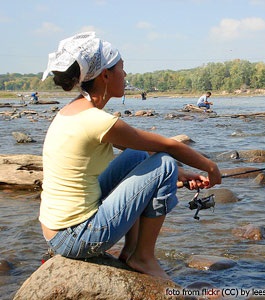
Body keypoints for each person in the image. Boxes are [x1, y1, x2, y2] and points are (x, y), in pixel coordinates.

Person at [39, 32, 222, 279]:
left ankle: (130, 251)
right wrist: (211, 168)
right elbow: (169, 146)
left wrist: (180, 176)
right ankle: (142, 257)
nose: (125, 75)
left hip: (56, 231)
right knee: (165, 162)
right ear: (105, 75)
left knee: (138, 156)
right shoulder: (97, 121)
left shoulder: (74, 110)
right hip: (75, 237)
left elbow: (143, 156)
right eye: (121, 69)